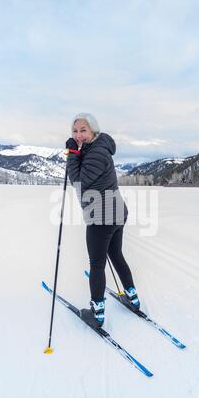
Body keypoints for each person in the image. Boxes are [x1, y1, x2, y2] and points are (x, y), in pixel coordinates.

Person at [65, 113, 140, 329]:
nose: (78, 135)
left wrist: (72, 153)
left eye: (83, 130)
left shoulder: (96, 152)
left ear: (93, 131)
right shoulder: (97, 147)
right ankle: (132, 298)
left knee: (97, 265)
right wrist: (78, 151)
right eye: (75, 131)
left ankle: (97, 313)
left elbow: (78, 181)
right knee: (115, 254)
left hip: (102, 217)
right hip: (116, 213)